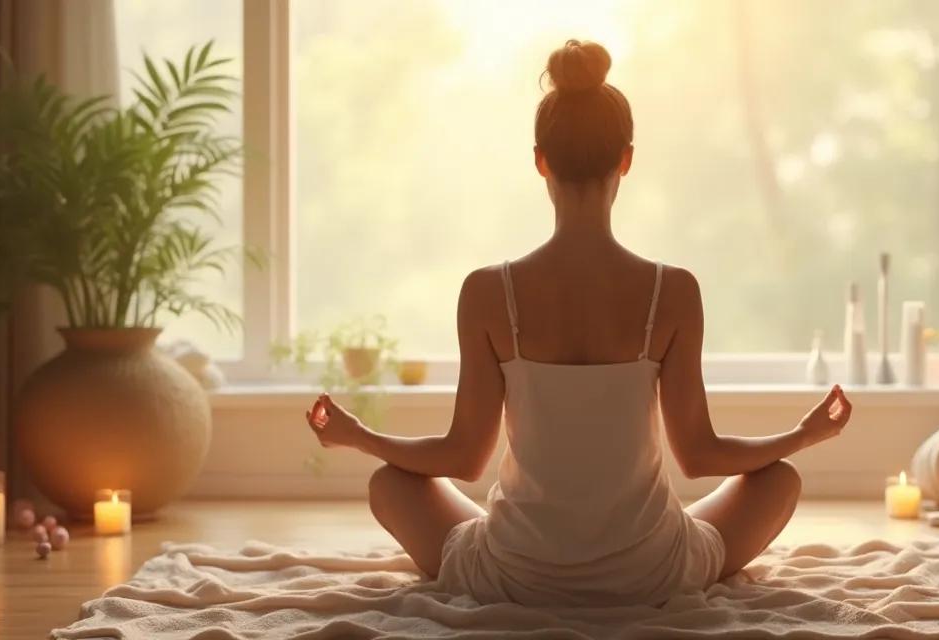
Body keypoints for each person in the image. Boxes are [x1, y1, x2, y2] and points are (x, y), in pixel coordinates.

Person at [304, 39, 852, 607]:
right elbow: (700, 455)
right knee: (779, 479)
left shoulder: (488, 292)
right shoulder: (675, 291)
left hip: (516, 573)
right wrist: (804, 435)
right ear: (626, 159)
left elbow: (462, 458)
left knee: (390, 483)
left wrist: (358, 436)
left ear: (540, 160)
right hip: (650, 571)